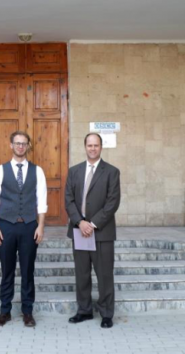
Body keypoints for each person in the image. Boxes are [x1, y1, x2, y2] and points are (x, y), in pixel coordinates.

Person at [0, 131, 47, 327]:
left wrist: (41, 226)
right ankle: (4, 311)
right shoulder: (0, 170)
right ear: (11, 145)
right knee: (7, 270)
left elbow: (41, 200)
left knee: (28, 270)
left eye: (24, 143)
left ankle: (27, 311)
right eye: (17, 143)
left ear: (28, 146)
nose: (20, 146)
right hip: (6, 225)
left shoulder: (37, 171)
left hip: (29, 226)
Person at [65, 133, 121, 329]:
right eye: (89, 145)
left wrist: (93, 223)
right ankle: (84, 310)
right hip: (79, 230)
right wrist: (80, 222)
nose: (92, 148)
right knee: (82, 274)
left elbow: (113, 202)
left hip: (102, 232)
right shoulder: (74, 171)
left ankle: (106, 314)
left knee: (104, 275)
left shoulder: (112, 172)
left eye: (96, 145)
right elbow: (68, 200)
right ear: (85, 147)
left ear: (101, 147)